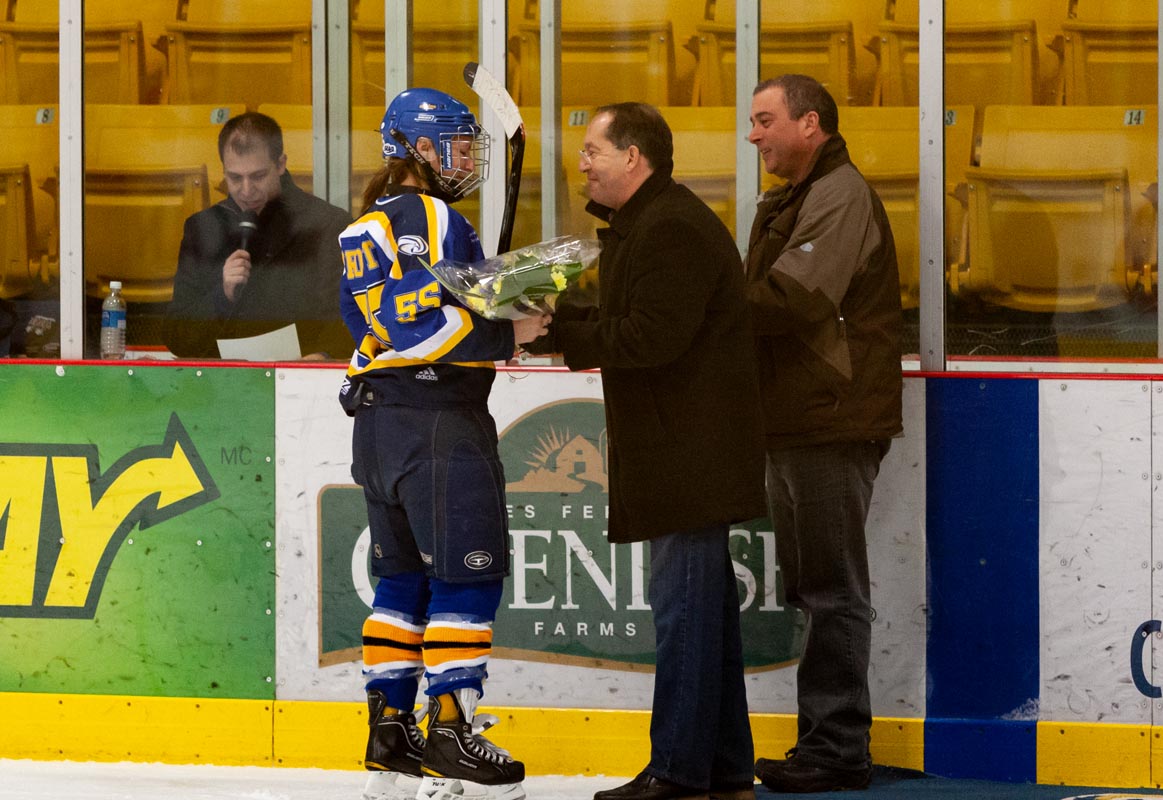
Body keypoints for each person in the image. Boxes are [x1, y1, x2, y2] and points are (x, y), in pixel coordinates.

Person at [525, 102, 766, 800]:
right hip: (684, 452)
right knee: (706, 620)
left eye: (593, 150)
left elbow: (651, 338)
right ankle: (723, 768)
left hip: (687, 458)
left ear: (634, 157)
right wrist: (555, 325)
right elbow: (635, 322)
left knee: (685, 615)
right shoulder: (653, 223)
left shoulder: (670, 228)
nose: (582, 163)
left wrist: (559, 335)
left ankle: (678, 772)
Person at [338, 88, 550, 800]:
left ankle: (391, 731)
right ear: (420, 149)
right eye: (457, 145)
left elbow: (393, 320)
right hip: (436, 424)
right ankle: (453, 731)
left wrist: (493, 296)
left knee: (403, 581)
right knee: (468, 576)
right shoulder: (429, 215)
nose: (466, 159)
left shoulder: (368, 223)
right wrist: (507, 331)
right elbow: (419, 327)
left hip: (381, 426)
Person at [743, 74, 903, 794]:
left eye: (765, 120)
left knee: (832, 590)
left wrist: (698, 298)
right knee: (814, 587)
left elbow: (792, 299)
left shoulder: (839, 193)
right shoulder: (793, 196)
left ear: (811, 124)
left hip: (829, 418)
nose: (754, 135)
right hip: (796, 416)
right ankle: (824, 742)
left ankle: (838, 749)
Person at [163, 111, 353, 360]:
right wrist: (222, 296)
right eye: (235, 177)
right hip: (220, 377)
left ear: (281, 164)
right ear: (223, 170)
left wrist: (322, 355)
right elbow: (177, 338)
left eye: (258, 176)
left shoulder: (327, 225)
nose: (246, 190)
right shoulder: (202, 228)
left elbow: (348, 319)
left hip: (301, 375)